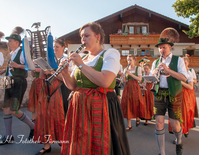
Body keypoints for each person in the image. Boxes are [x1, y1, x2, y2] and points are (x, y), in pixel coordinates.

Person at [60, 22, 130, 155]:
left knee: (101, 144)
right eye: (81, 37)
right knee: (80, 143)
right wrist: (64, 73)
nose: (83, 40)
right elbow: (73, 86)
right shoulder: (83, 58)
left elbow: (105, 81)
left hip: (102, 106)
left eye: (86, 36)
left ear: (98, 37)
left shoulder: (110, 53)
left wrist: (81, 65)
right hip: (80, 108)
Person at [151, 35, 188, 155]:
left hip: (174, 93)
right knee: (158, 122)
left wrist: (168, 70)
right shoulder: (156, 62)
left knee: (175, 124)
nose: (162, 50)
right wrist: (153, 75)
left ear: (170, 47)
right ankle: (162, 152)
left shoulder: (178, 60)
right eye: (160, 48)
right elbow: (151, 80)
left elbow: (183, 78)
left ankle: (179, 140)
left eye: (164, 47)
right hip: (159, 93)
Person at [34, 38, 71, 155]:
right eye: (53, 47)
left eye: (57, 47)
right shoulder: (49, 59)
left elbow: (67, 79)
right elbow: (41, 77)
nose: (54, 49)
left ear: (63, 48)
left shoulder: (66, 59)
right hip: (48, 91)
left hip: (61, 91)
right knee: (45, 117)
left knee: (61, 118)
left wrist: (51, 72)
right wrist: (42, 68)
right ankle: (47, 145)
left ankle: (64, 145)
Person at [0, 29, 35, 145]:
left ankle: (33, 127)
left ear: (17, 42)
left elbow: (30, 66)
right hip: (8, 81)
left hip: (18, 82)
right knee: (6, 109)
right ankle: (9, 137)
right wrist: (5, 71)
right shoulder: (12, 53)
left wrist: (18, 65)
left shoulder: (22, 52)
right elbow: (12, 67)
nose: (7, 43)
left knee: (14, 110)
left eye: (10, 41)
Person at [168, 57, 196, 141]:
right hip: (177, 94)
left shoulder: (189, 73)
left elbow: (191, 87)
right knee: (176, 115)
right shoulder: (177, 72)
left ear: (188, 63)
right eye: (182, 63)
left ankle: (184, 130)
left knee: (184, 114)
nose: (184, 65)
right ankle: (178, 135)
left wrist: (181, 82)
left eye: (185, 63)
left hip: (186, 95)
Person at [121, 54, 142, 130]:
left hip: (135, 87)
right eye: (128, 60)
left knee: (136, 103)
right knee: (127, 105)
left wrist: (130, 74)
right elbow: (124, 81)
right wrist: (123, 77)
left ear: (134, 60)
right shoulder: (126, 69)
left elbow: (139, 79)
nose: (129, 61)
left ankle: (137, 117)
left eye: (130, 60)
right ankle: (129, 125)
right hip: (127, 88)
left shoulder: (138, 68)